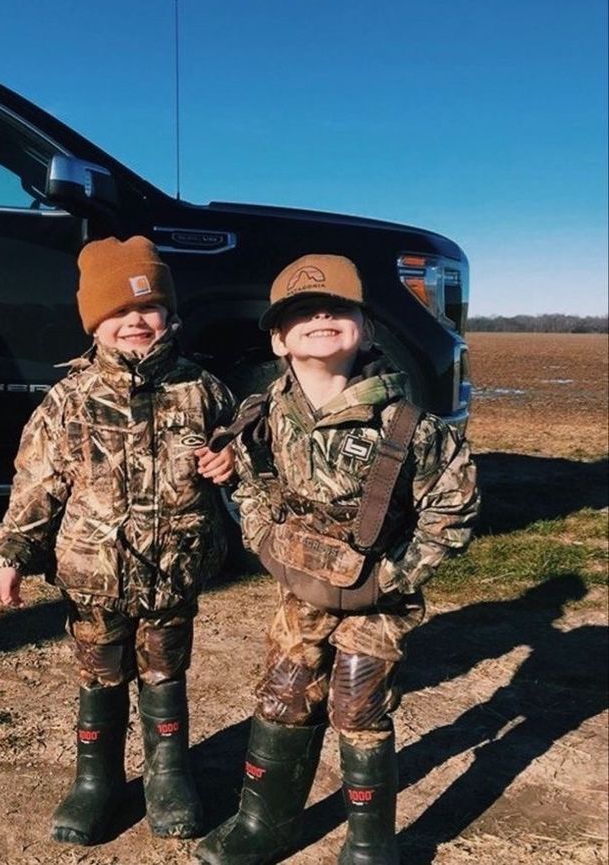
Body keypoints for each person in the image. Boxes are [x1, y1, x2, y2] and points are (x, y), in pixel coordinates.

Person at [195, 254, 479, 865]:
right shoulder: (264, 413)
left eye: (337, 308)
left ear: (366, 329)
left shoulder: (411, 426)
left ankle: (370, 843)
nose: (320, 316)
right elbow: (244, 476)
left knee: (356, 702)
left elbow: (452, 510)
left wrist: (395, 574)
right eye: (301, 312)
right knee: (285, 691)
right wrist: (264, 536)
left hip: (377, 594)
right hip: (301, 587)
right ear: (278, 338)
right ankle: (264, 824)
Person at [0, 236, 235, 846]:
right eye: (117, 313)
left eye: (147, 308)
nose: (134, 322)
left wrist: (234, 462)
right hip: (92, 580)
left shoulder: (203, 391)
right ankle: (95, 780)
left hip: (174, 573)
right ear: (94, 323)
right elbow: (36, 484)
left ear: (169, 317)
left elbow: (247, 458)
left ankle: (167, 773)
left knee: (164, 671)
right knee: (100, 672)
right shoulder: (67, 401)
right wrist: (13, 557)